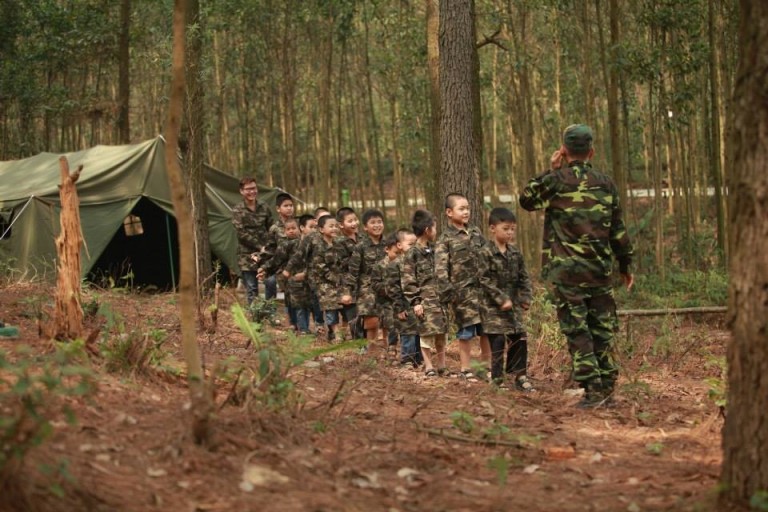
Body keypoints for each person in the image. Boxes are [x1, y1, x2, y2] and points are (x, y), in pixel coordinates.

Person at [520, 123, 634, 408]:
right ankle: (606, 388)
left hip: (568, 273)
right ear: (591, 151)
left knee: (578, 330)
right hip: (599, 271)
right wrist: (625, 265)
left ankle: (594, 391)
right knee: (602, 329)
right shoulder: (606, 183)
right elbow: (618, 231)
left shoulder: (555, 181)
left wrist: (550, 169)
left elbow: (526, 200)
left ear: (564, 150)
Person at [435, 192, 491, 381]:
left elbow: (487, 256)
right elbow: (441, 269)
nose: (466, 212)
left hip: (482, 292)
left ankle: (485, 368)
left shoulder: (476, 232)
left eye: (467, 208)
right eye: (461, 209)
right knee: (466, 332)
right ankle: (466, 369)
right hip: (461, 294)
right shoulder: (445, 239)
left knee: (485, 330)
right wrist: (449, 293)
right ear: (449, 212)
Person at [478, 208, 534, 391]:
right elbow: (484, 279)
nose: (510, 233)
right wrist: (501, 299)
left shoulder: (515, 253)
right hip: (493, 307)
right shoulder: (485, 252)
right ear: (493, 228)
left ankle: (520, 376)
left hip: (513, 306)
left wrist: (525, 297)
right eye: (506, 228)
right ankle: (497, 379)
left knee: (520, 338)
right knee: (498, 342)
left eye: (512, 229)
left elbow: (524, 277)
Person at [402, 210, 447, 377]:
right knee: (426, 333)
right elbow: (408, 280)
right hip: (425, 300)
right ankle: (428, 366)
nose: (436, 231)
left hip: (439, 299)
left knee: (441, 333)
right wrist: (416, 302)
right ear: (427, 230)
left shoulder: (436, 250)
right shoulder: (412, 253)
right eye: (434, 228)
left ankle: (442, 365)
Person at [342, 209, 386, 350]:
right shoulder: (360, 247)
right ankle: (371, 352)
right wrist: (347, 292)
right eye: (373, 223)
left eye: (379, 222)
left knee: (388, 321)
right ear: (365, 227)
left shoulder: (389, 244)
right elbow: (353, 272)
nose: (377, 225)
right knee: (371, 321)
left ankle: (389, 350)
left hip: (387, 286)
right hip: (368, 288)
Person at [258, 217, 305, 333]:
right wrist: (264, 267)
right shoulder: (284, 244)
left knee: (303, 302)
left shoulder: (305, 242)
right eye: (288, 229)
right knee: (289, 301)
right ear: (284, 231)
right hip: (288, 277)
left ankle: (305, 327)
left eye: (293, 228)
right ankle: (293, 323)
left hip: (303, 275)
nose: (291, 231)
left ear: (299, 229)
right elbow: (276, 260)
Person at [232, 177, 273, 306]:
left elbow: (271, 228)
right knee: (252, 288)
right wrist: (259, 246)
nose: (252, 191)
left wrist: (270, 246)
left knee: (271, 283)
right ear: (242, 191)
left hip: (265, 253)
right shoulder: (238, 210)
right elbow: (241, 233)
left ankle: (269, 312)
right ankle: (255, 315)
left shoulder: (264, 207)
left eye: (254, 188)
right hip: (246, 255)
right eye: (248, 189)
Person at [384, 228, 422, 367]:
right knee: (407, 332)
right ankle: (407, 359)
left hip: (417, 304)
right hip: (403, 306)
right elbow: (393, 289)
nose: (414, 247)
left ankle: (418, 359)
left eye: (415, 244)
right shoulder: (395, 264)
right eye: (410, 244)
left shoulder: (418, 262)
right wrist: (399, 308)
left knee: (418, 332)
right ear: (399, 245)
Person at [262, 192, 295, 301]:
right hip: (278, 266)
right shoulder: (274, 228)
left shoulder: (298, 225)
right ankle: (269, 309)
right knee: (270, 282)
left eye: (291, 205)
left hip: (295, 266)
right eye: (286, 206)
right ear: (278, 209)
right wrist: (265, 266)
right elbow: (270, 250)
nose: (289, 208)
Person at [334, 207, 361, 339]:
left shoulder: (363, 238)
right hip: (347, 283)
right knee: (352, 316)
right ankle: (359, 342)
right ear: (341, 225)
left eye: (355, 219)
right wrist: (360, 257)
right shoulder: (338, 242)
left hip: (363, 282)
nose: (354, 223)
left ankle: (368, 342)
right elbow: (343, 263)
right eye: (350, 221)